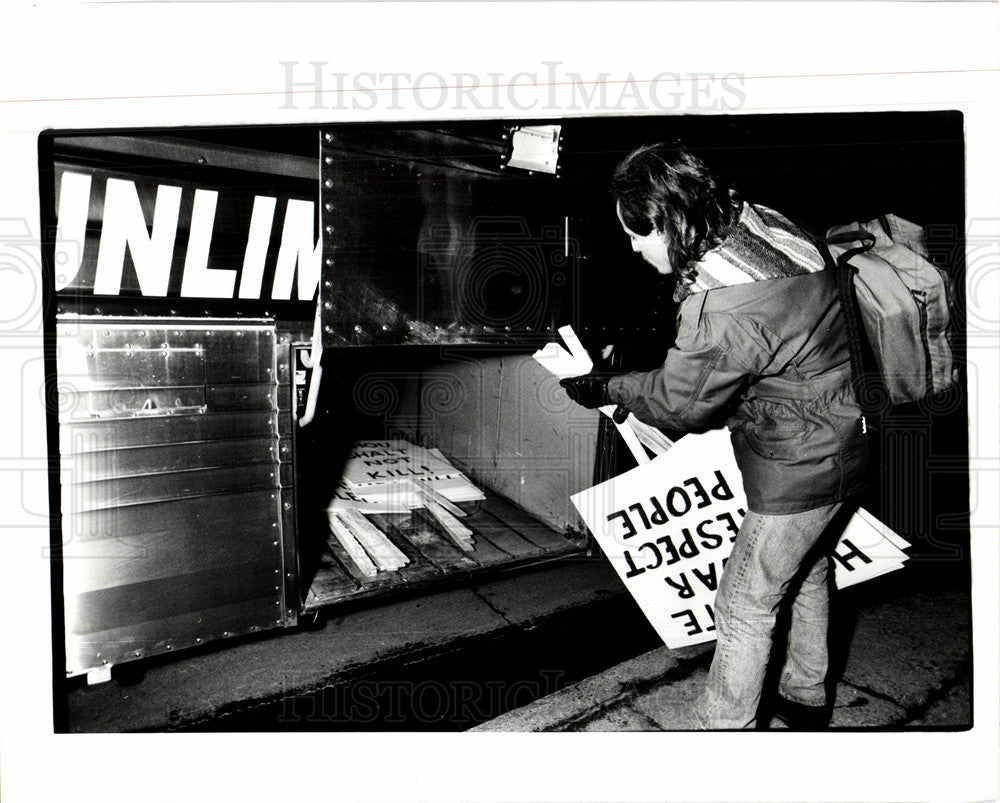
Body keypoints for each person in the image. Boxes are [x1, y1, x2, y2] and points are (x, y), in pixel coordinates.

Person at [561, 143, 869, 729]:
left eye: (639, 233)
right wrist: (633, 360)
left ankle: (722, 738)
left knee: (744, 605)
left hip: (799, 461)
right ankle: (806, 698)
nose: (632, 246)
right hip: (849, 431)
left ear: (672, 223)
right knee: (807, 569)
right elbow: (755, 345)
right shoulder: (762, 224)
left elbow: (681, 404)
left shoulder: (721, 306)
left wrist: (604, 386)